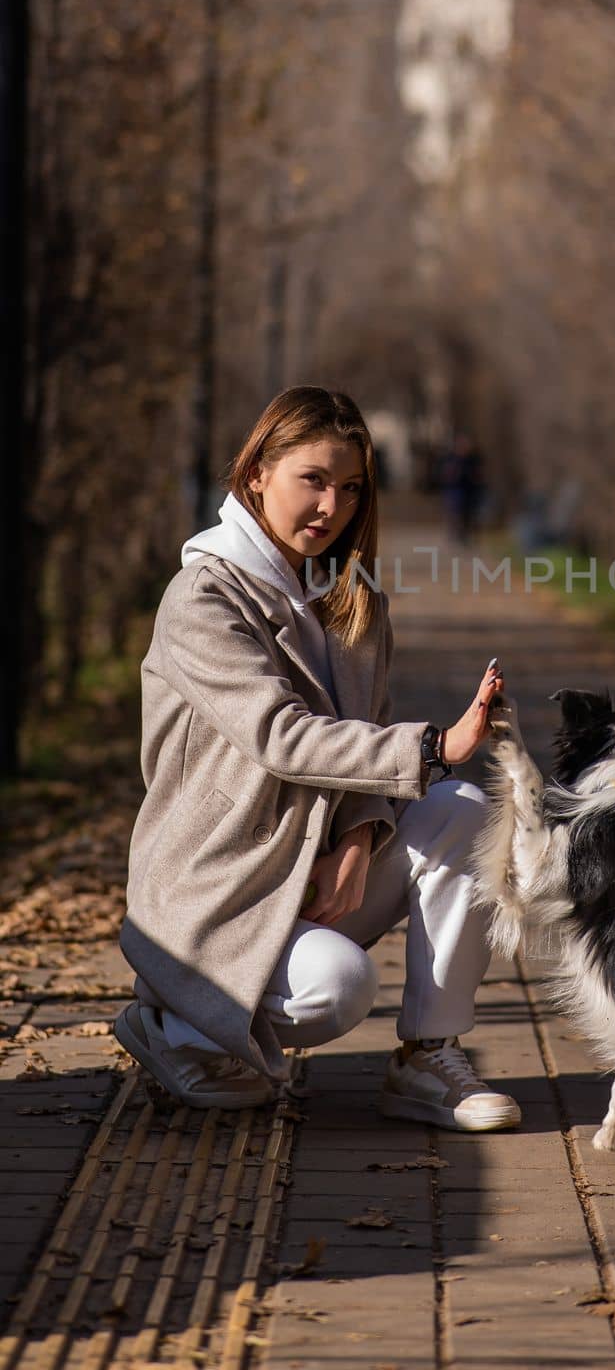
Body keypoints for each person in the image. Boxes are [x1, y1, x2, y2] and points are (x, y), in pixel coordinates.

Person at [115, 385, 521, 1131]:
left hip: (314, 870)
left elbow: (369, 734)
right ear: (256, 474)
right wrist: (437, 747)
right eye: (313, 479)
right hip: (223, 887)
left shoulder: (350, 600)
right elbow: (283, 735)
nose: (331, 507)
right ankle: (173, 1016)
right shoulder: (202, 599)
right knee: (338, 988)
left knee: (464, 811)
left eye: (351, 487)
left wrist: (362, 837)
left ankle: (428, 1056)